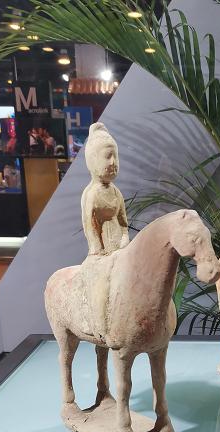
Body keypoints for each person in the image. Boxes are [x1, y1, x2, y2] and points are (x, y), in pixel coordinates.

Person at [81, 122, 130, 340]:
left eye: (115, 157)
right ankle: (99, 323)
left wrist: (125, 239)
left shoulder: (116, 193)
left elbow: (123, 223)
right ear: (92, 161)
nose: (113, 163)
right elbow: (89, 226)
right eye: (107, 157)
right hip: (100, 251)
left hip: (119, 248)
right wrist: (97, 249)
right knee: (101, 284)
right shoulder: (91, 194)